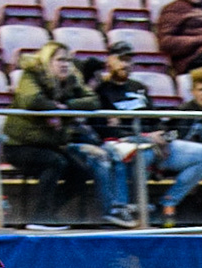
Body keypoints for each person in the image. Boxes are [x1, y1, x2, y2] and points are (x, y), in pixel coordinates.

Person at [90, 43, 202, 226]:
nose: (125, 64)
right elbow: (104, 129)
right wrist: (144, 135)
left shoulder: (139, 87)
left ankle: (167, 202)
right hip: (127, 144)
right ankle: (135, 209)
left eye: (128, 60)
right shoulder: (101, 91)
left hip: (154, 141)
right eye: (120, 59)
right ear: (109, 61)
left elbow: (155, 118)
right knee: (143, 154)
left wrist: (161, 135)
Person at [7, 42, 134, 227]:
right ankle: (39, 217)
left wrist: (66, 108)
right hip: (19, 145)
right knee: (56, 162)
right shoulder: (32, 74)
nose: (65, 64)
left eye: (67, 60)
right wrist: (52, 110)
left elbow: (93, 101)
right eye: (60, 60)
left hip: (52, 144)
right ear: (47, 61)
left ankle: (47, 213)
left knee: (82, 171)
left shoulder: (71, 79)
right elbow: (31, 99)